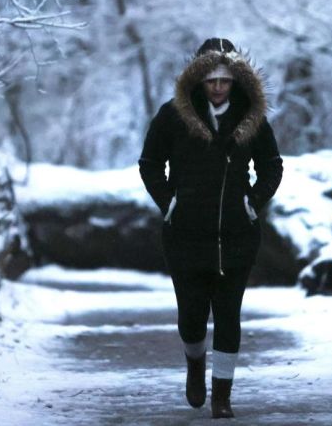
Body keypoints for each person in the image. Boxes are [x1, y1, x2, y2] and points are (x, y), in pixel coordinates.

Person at [138, 38, 283, 419]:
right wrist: (169, 203)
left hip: (236, 238)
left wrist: (252, 203)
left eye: (225, 80)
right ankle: (195, 365)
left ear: (236, 80)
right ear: (199, 79)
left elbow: (272, 166)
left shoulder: (252, 118)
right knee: (191, 317)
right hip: (185, 237)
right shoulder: (172, 116)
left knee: (229, 315)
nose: (218, 87)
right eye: (211, 80)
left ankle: (222, 397)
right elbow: (149, 162)